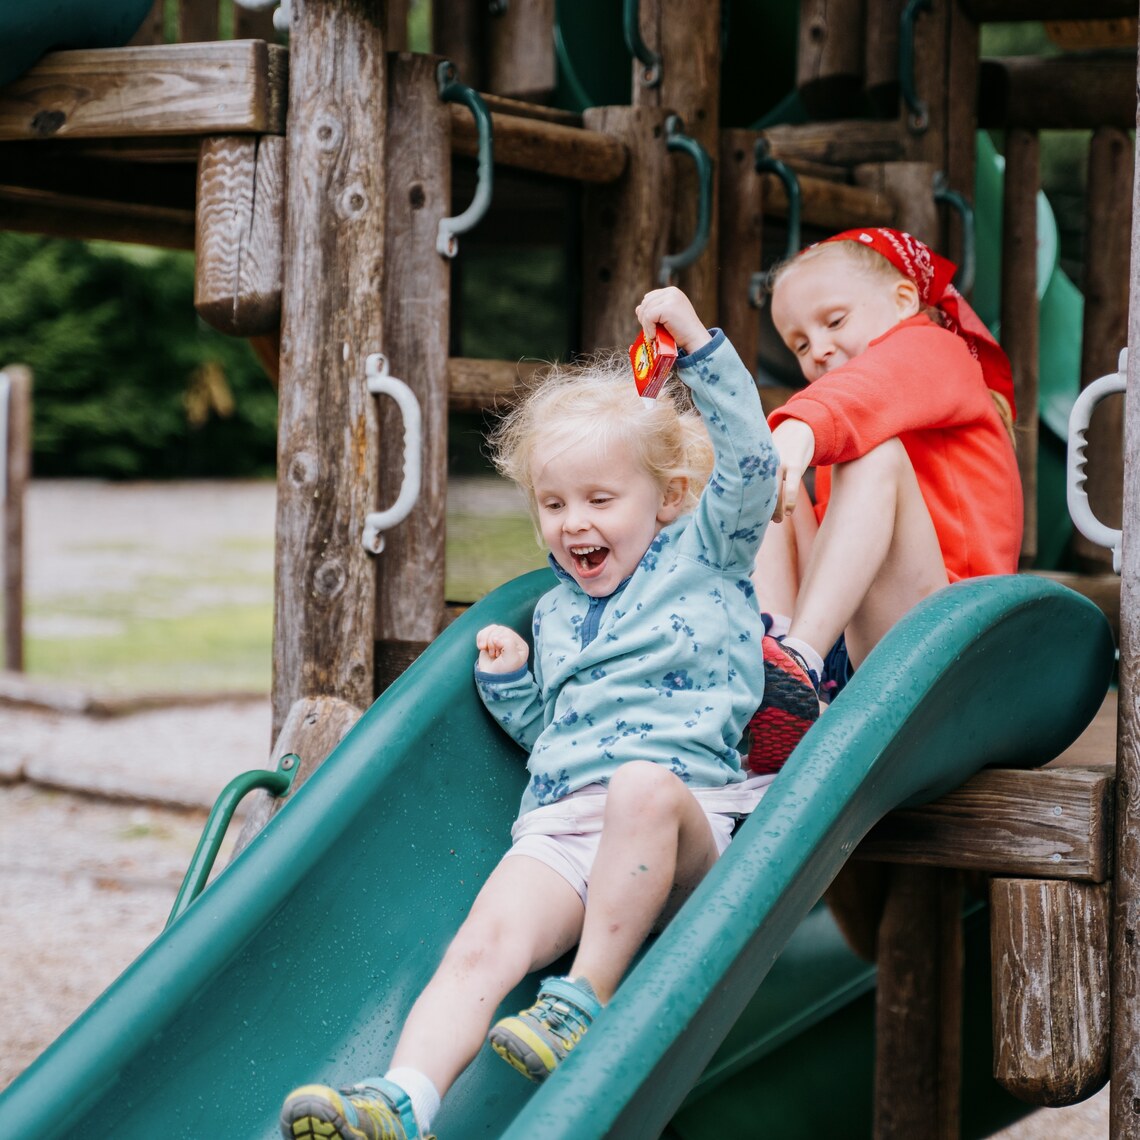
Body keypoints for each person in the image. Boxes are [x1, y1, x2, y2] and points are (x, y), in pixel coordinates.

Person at [278, 287, 780, 1140]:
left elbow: (755, 465)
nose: (573, 523)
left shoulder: (704, 554)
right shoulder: (551, 613)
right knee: (480, 945)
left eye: (599, 499)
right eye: (553, 504)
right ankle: (401, 1100)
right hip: (565, 825)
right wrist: (516, 689)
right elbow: (559, 737)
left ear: (665, 498)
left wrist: (698, 344)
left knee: (640, 787)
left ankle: (586, 995)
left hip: (683, 820)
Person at [749, 226, 1023, 955]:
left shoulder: (934, 352)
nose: (818, 350)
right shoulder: (846, 406)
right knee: (756, 471)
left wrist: (800, 433)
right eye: (800, 343)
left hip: (946, 660)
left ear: (905, 300)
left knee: (870, 457)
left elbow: (872, 387)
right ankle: (770, 663)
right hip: (867, 655)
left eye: (834, 321)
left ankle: (797, 664)